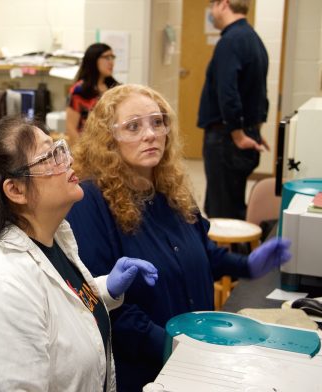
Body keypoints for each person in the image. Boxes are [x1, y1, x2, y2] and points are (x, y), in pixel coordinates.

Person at [66, 84, 291, 391]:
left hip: (196, 356)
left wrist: (247, 265)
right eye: (133, 126)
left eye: (157, 122)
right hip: (144, 371)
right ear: (108, 138)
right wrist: (172, 347)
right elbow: (100, 301)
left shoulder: (170, 187)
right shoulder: (90, 202)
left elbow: (205, 255)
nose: (150, 134)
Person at [0, 116, 158, 391]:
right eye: (50, 156)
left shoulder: (50, 237)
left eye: (59, 148)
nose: (69, 159)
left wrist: (104, 290)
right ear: (16, 190)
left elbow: (51, 309)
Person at [198, 0, 269, 220]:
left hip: (226, 139)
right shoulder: (253, 39)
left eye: (212, 6)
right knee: (232, 206)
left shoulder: (230, 41)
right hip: (243, 133)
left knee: (223, 213)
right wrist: (254, 129)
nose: (211, 12)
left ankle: (231, 255)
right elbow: (258, 93)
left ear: (223, 4)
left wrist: (238, 135)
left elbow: (227, 93)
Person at [66, 42, 119, 144]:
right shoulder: (79, 90)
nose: (111, 62)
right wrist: (82, 154)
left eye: (112, 57)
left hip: (112, 148)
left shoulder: (114, 88)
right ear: (93, 60)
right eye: (107, 57)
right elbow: (71, 128)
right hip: (89, 148)